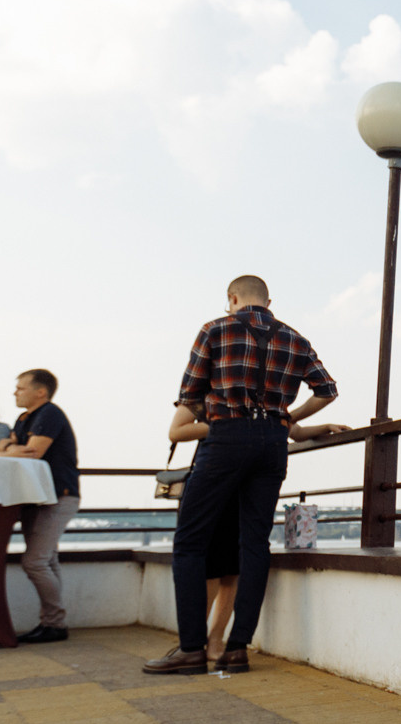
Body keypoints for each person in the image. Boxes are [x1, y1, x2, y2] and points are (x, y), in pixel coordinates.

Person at [146, 276, 336, 675]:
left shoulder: (215, 328)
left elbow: (190, 394)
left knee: (190, 541)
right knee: (254, 544)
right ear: (270, 301)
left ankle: (192, 648)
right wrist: (287, 418)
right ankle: (236, 649)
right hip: (272, 443)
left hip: (228, 437)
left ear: (232, 298)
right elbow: (326, 390)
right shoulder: (295, 338)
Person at [167, 406, 354, 663]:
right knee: (209, 567)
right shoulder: (210, 387)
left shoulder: (264, 391)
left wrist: (324, 427)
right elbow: (176, 431)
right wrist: (232, 427)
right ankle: (194, 643)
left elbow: (292, 430)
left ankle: (215, 640)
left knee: (232, 568)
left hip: (245, 486)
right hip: (211, 482)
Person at [0, 369, 79, 645]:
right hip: (37, 497)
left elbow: (32, 452)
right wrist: (9, 448)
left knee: (34, 561)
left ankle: (55, 623)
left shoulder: (50, 413)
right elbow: (17, 451)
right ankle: (52, 623)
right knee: (48, 559)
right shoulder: (24, 418)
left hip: (58, 496)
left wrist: (4, 448)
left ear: (40, 391)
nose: (15, 392)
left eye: (20, 388)